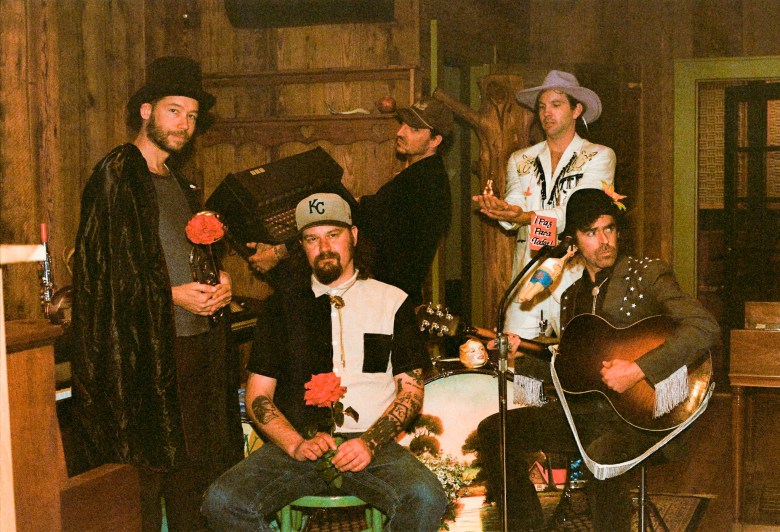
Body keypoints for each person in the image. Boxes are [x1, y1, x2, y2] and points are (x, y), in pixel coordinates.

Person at [476, 188, 720, 530]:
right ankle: (525, 525)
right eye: (591, 233)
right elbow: (569, 372)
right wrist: (520, 356)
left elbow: (704, 327)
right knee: (496, 431)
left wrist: (638, 369)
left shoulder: (646, 274)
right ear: (573, 242)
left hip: (643, 418)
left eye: (609, 229)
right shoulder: (571, 297)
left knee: (600, 455)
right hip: (584, 415)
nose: (604, 241)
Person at [202, 193, 448, 530]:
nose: (324, 247)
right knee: (222, 501)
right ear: (302, 246)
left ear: (354, 236)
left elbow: (411, 392)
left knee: (425, 496)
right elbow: (258, 394)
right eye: (312, 239)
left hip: (372, 445)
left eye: (334, 234)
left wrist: (369, 443)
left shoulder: (392, 301)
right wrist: (295, 444)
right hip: (299, 443)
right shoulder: (280, 307)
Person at [70, 56, 244, 530]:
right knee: (149, 475)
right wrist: (171, 296)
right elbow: (99, 274)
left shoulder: (181, 183)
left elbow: (182, 253)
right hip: (149, 354)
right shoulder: (119, 173)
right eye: (173, 111)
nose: (184, 124)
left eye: (191, 116)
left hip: (196, 346)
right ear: (145, 111)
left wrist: (219, 279)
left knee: (197, 470)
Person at [248, 97, 453, 305]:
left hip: (385, 302)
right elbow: (370, 209)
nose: (400, 132)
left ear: (436, 140)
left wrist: (276, 252)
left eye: (415, 129)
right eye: (403, 124)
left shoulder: (422, 183)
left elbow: (351, 220)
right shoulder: (421, 176)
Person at [472, 70, 616, 340]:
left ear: (577, 110)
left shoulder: (599, 155)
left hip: (576, 274)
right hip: (527, 273)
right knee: (516, 358)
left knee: (578, 358)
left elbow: (579, 214)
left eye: (556, 105)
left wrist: (524, 216)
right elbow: (514, 205)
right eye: (541, 106)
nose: (546, 113)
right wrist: (502, 210)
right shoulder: (520, 158)